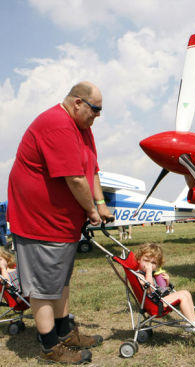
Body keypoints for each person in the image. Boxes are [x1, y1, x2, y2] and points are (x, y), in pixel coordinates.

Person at [7, 81, 113, 364]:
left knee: (60, 281)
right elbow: (75, 178)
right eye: (95, 110)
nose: (98, 116)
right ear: (78, 103)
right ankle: (50, 347)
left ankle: (65, 332)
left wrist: (101, 204)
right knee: (43, 286)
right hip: (39, 222)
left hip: (61, 224)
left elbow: (91, 171)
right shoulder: (58, 124)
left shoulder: (83, 128)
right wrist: (91, 211)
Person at [135, 243, 195, 331]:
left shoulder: (150, 274)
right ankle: (191, 323)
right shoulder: (139, 275)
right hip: (155, 304)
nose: (149, 265)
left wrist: (166, 282)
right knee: (182, 296)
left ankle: (193, 319)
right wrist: (148, 272)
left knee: (186, 293)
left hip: (159, 299)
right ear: (139, 259)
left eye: (153, 263)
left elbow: (159, 288)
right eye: (146, 260)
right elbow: (149, 288)